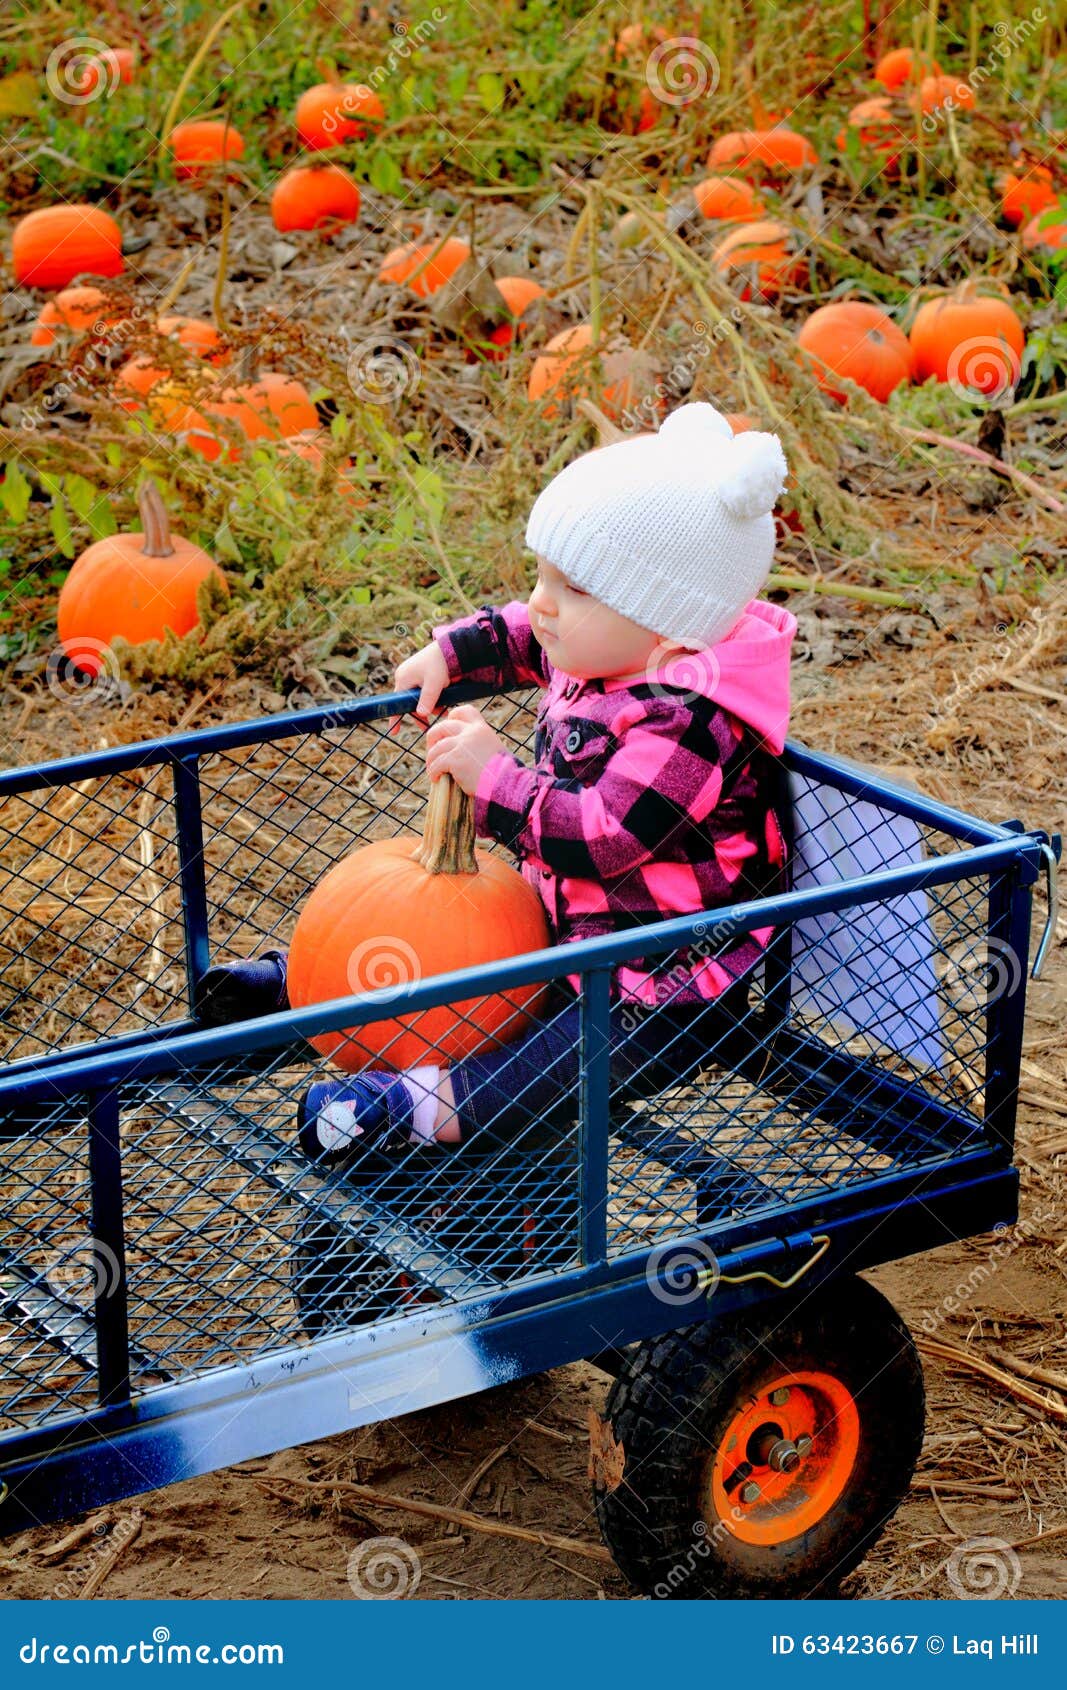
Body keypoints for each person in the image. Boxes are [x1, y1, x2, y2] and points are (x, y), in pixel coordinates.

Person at [198, 401, 797, 1165]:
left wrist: (498, 783)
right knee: (468, 940)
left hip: (661, 988)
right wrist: (452, 656)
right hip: (567, 934)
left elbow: (606, 836)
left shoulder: (689, 722)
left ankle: (405, 1112)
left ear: (668, 628)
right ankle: (307, 987)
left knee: (546, 1068)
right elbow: (523, 631)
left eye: (572, 588)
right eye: (541, 573)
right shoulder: (609, 646)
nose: (543, 601)